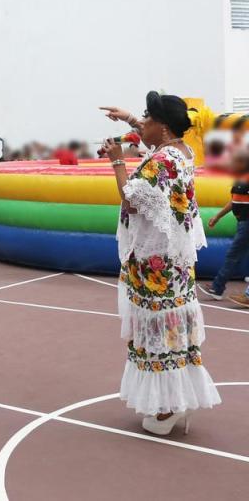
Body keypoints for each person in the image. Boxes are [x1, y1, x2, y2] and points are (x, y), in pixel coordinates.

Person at [101, 93, 221, 435]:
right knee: (172, 333)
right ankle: (174, 402)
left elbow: (133, 200)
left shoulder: (161, 162)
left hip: (156, 267)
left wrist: (117, 161)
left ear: (163, 126)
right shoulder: (181, 151)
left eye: (147, 117)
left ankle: (169, 408)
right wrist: (129, 120)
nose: (143, 122)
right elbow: (155, 142)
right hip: (175, 265)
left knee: (158, 333)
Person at [201, 150, 249, 306]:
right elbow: (234, 201)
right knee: (234, 254)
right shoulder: (241, 179)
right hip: (243, 222)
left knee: (233, 254)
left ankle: (217, 287)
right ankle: (218, 287)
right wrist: (218, 215)